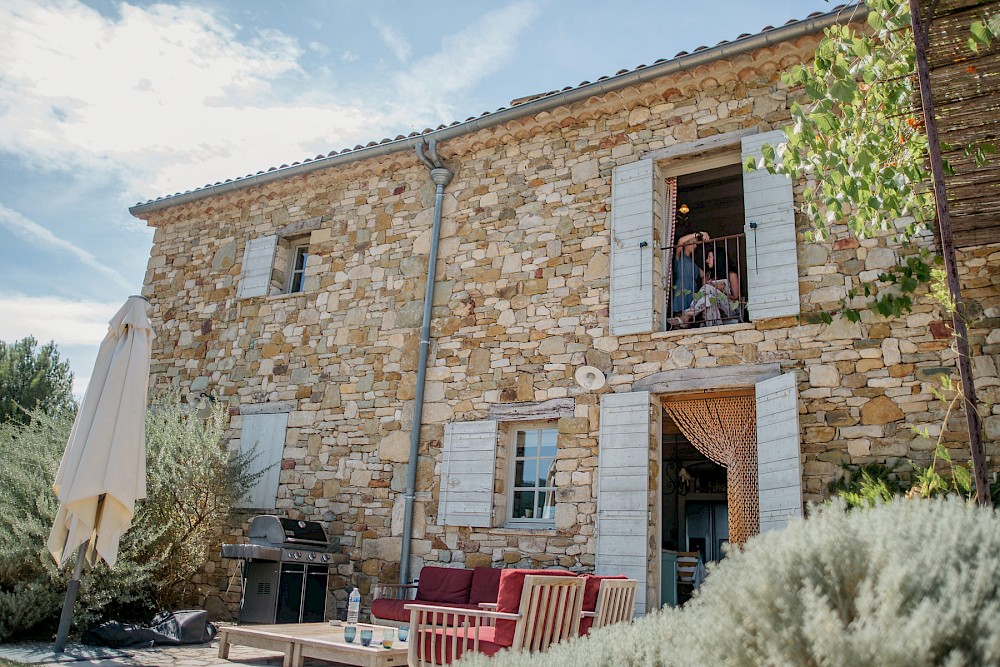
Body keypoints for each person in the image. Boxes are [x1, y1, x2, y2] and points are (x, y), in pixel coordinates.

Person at [671, 232, 707, 316]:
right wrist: (699, 233)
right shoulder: (679, 257)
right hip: (682, 287)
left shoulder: (693, 263)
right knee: (680, 315)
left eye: (696, 244)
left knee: (689, 316)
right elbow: (680, 241)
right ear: (685, 244)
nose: (695, 246)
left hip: (692, 289)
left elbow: (704, 275)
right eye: (693, 243)